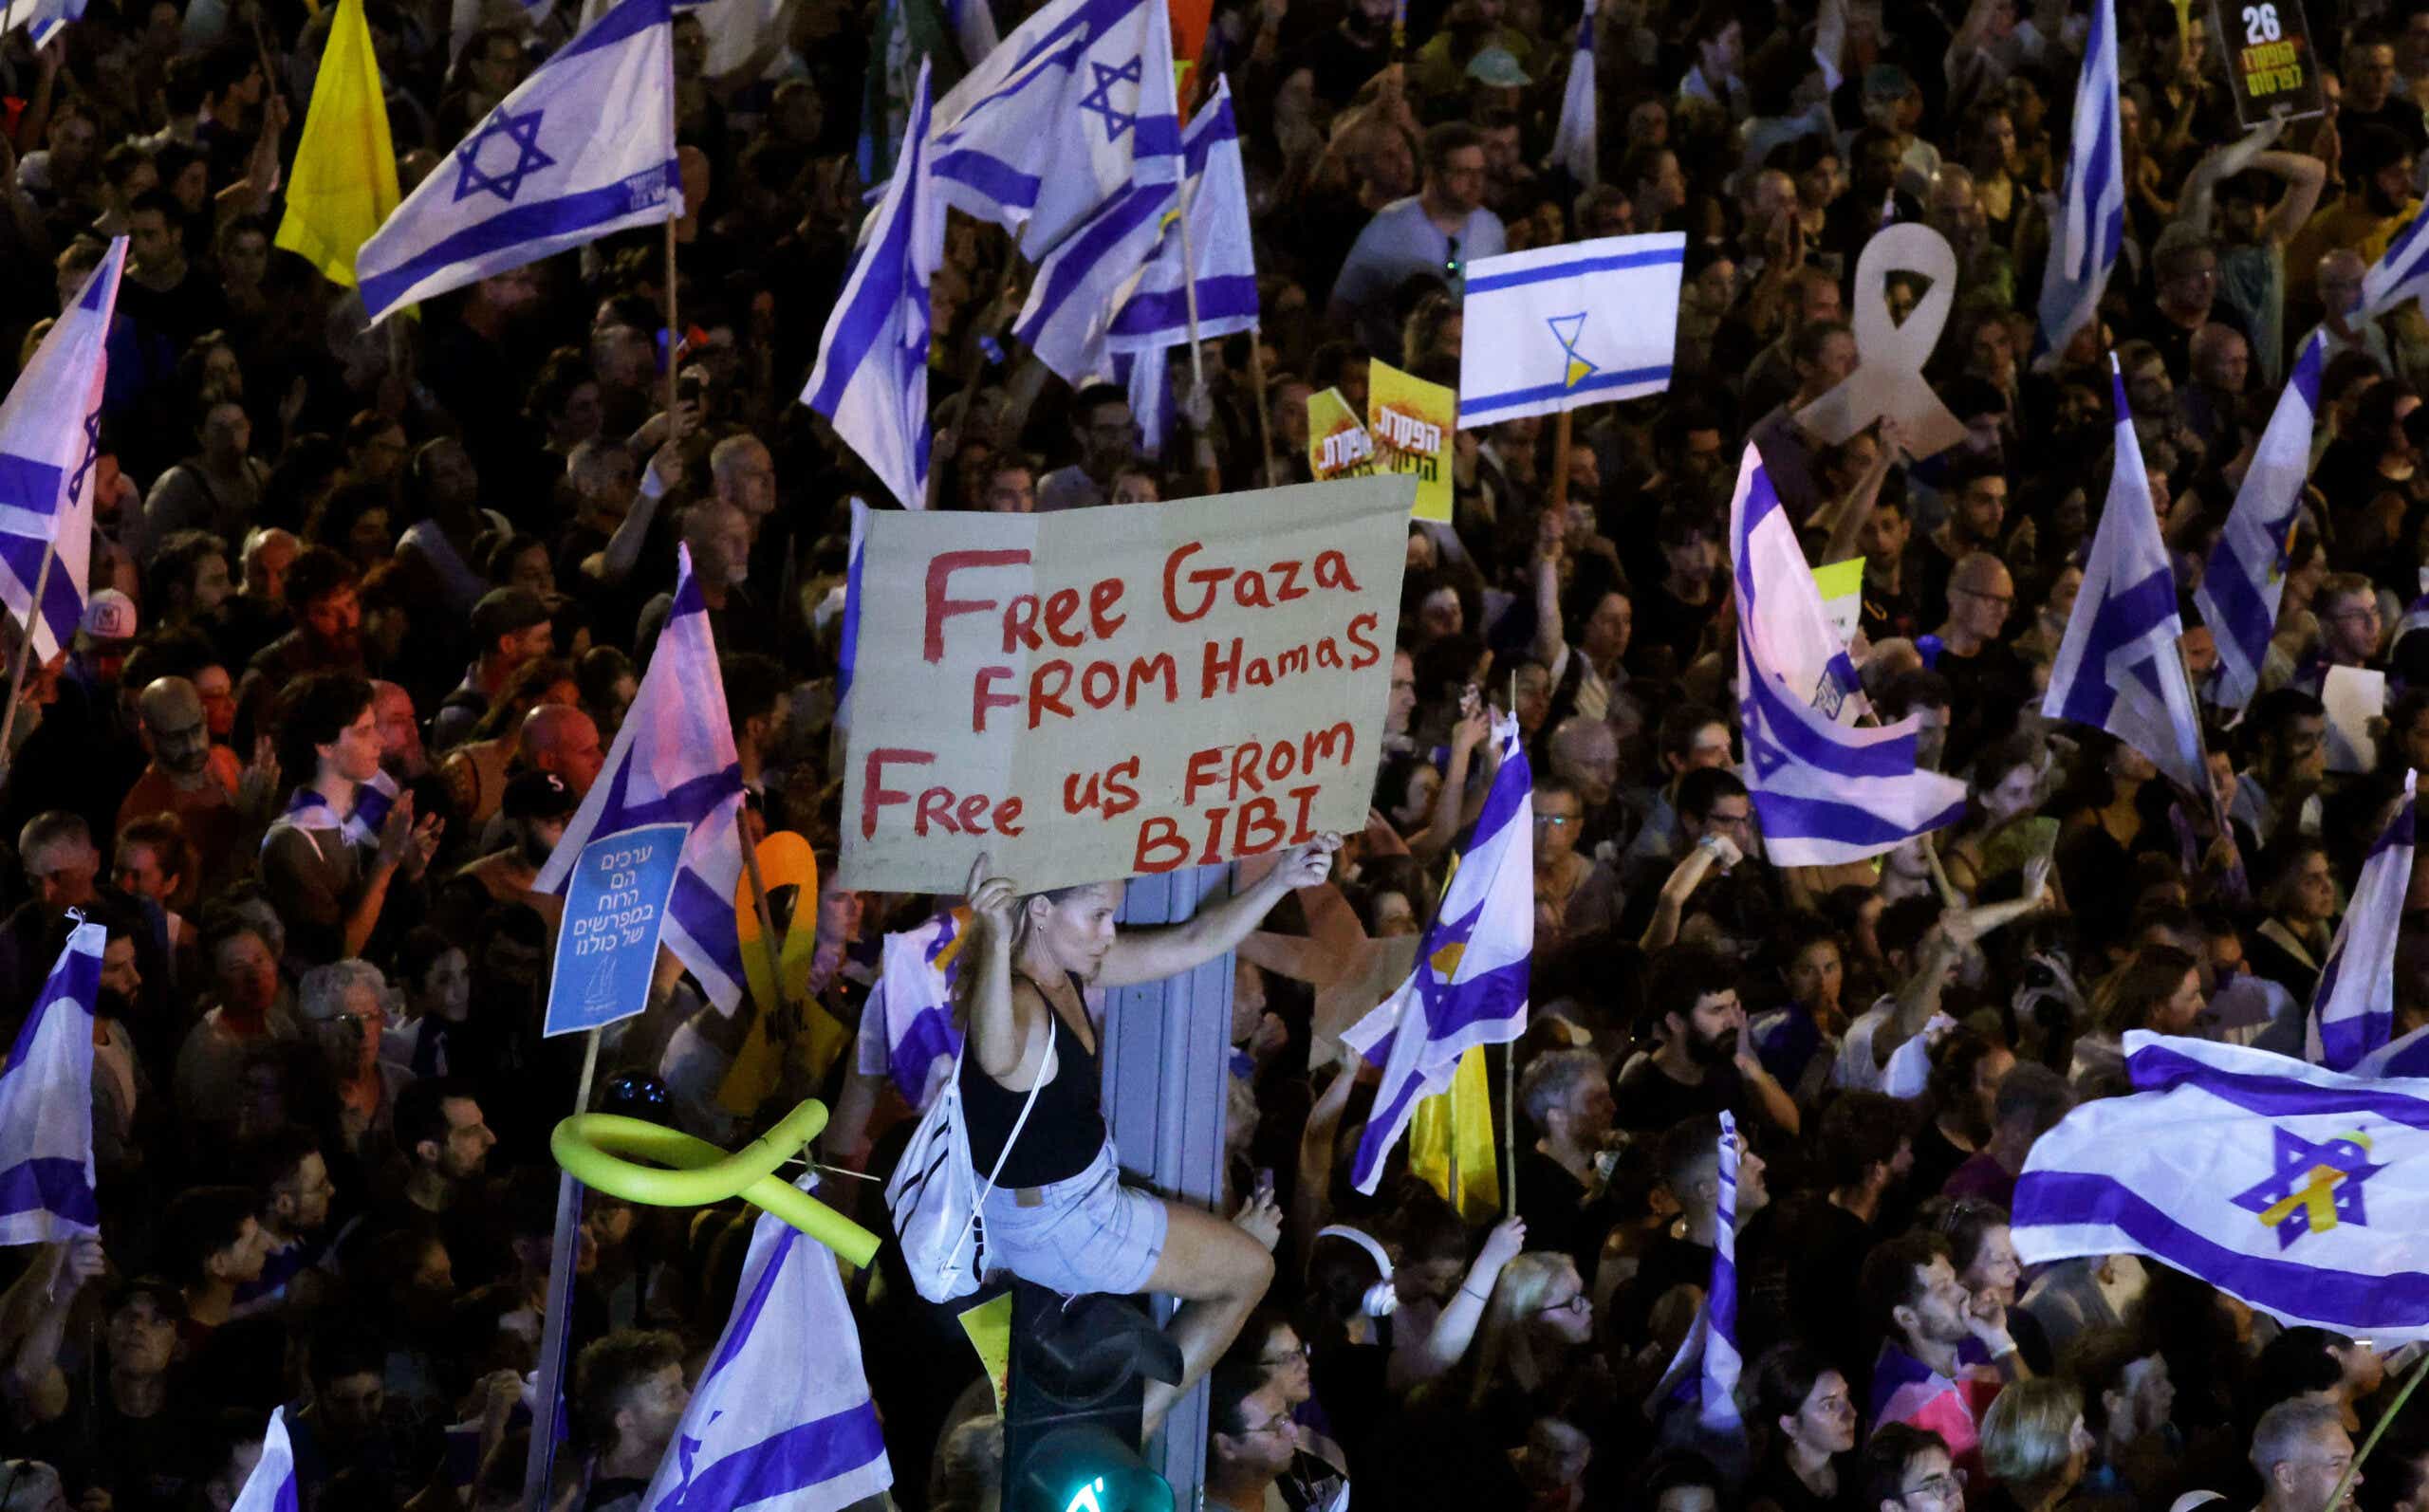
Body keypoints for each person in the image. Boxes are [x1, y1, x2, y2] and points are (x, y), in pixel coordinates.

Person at [960, 834, 1340, 1430]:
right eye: (1099, 916)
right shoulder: (1018, 1001)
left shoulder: (1068, 969)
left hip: (1063, 1206)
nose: (1110, 932)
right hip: (1067, 1225)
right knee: (1251, 1270)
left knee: (1228, 1252)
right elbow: (995, 1053)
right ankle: (1141, 1422)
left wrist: (1281, 879)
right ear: (1040, 910)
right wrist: (989, 937)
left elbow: (1191, 942)